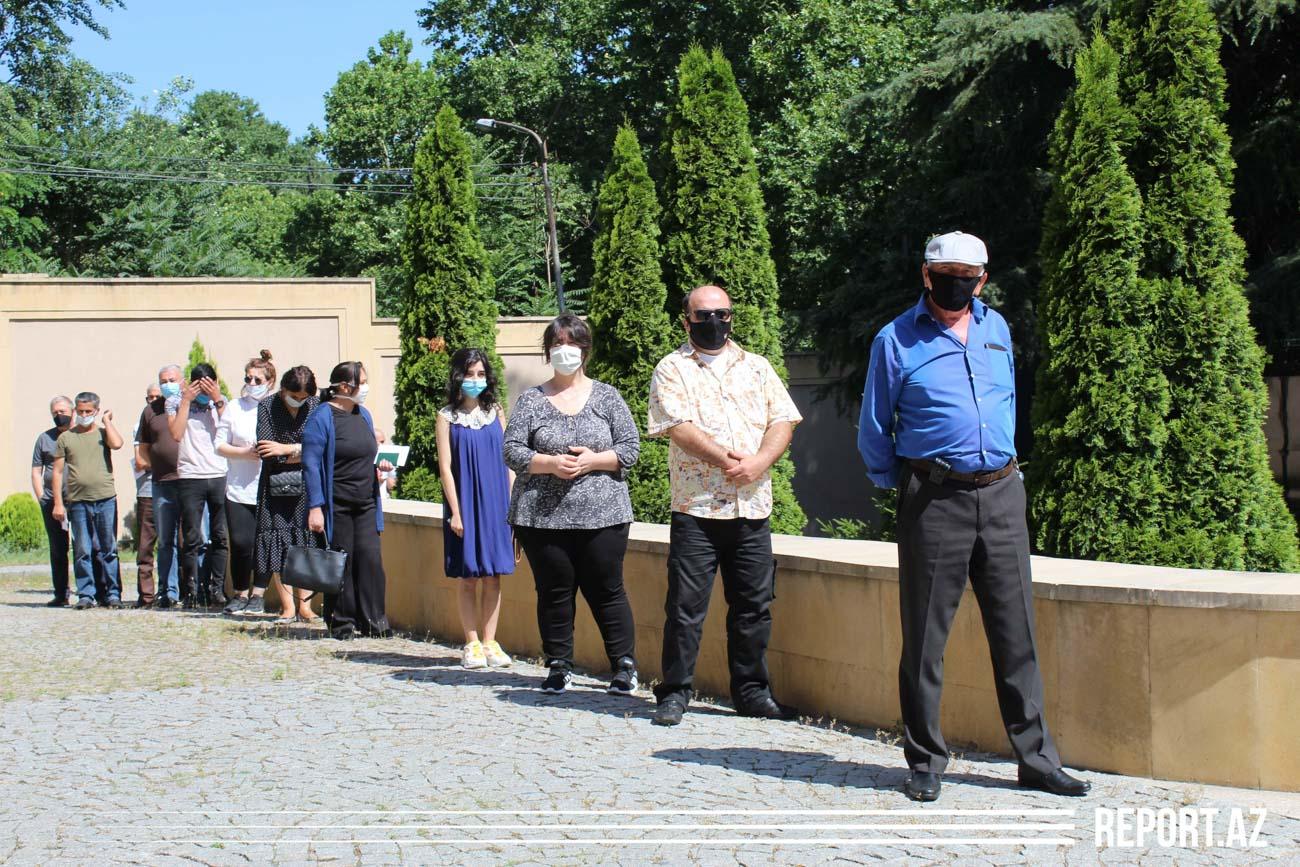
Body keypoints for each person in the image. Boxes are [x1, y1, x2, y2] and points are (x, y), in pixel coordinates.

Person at [857, 231, 1089, 802]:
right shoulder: (895, 340)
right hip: (935, 499)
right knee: (926, 639)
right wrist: (908, 489)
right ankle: (926, 761)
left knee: (1017, 635)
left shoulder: (996, 329)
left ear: (983, 279)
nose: (958, 283)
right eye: (948, 273)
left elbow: (1005, 401)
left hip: (1003, 494)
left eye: (969, 274)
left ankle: (1036, 761)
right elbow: (874, 428)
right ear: (927, 274)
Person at [647, 284, 804, 727]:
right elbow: (678, 427)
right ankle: (675, 692)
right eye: (703, 315)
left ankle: (752, 693)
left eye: (722, 314)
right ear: (686, 321)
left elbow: (783, 419)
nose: (714, 322)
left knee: (754, 605)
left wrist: (759, 462)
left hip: (752, 506)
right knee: (685, 607)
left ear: (732, 316)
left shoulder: (756, 367)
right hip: (697, 508)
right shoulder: (672, 368)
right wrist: (728, 461)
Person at [503, 314, 640, 696]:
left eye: (574, 343)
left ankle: (624, 667)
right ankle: (559, 665)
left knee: (607, 590)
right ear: (548, 351)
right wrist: (549, 464)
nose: (566, 351)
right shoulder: (532, 399)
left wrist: (592, 460)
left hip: (604, 514)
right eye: (558, 344)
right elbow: (512, 450)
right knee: (553, 591)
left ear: (585, 350)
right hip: (541, 517)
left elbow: (630, 448)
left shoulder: (608, 396)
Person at [437, 348, 515, 669]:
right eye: (469, 374)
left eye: (481, 374)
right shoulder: (446, 417)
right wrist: (455, 511)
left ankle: (490, 641)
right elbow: (445, 468)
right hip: (465, 504)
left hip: (497, 504)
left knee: (494, 575)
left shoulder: (496, 411)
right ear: (458, 376)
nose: (475, 380)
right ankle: (471, 644)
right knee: (469, 575)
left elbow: (510, 460)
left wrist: (513, 506)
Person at [303, 361, 391, 640]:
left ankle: (374, 621)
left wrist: (381, 467)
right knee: (342, 561)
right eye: (361, 382)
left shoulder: (363, 415)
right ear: (344, 387)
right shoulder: (322, 417)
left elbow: (367, 454)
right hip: (337, 504)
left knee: (370, 561)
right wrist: (315, 507)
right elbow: (311, 464)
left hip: (365, 501)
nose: (365, 388)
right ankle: (342, 623)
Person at [254, 365, 320, 624]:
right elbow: (266, 449)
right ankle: (287, 608)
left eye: (304, 397)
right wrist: (301, 452)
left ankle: (305, 607)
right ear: (283, 389)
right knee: (277, 545)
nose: (300, 401)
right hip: (275, 485)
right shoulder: (267, 406)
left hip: (309, 485)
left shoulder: (316, 405)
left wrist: (287, 448)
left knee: (306, 543)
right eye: (295, 395)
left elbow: (321, 447)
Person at [51, 392, 125, 609]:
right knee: (82, 549)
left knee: (108, 548)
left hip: (105, 499)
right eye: (80, 411)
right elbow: (57, 472)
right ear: (75, 410)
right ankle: (86, 594)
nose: (84, 415)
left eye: (88, 411)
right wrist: (58, 502)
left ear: (96, 411)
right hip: (78, 501)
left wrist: (107, 422)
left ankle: (113, 594)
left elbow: (118, 444)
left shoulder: (103, 434)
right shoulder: (66, 438)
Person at [217, 351, 273, 615]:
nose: (251, 384)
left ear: (270, 382)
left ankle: (258, 594)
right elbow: (219, 444)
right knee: (240, 542)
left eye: (257, 380)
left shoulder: (276, 408)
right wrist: (244, 453)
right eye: (248, 379)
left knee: (264, 541)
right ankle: (239, 591)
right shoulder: (234, 407)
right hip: (239, 487)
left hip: (269, 487)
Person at [169, 363, 229, 609]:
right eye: (199, 384)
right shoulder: (175, 402)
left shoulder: (222, 401)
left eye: (209, 383)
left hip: (219, 473)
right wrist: (186, 400)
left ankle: (217, 588)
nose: (204, 389)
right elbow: (176, 433)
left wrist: (216, 399)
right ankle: (192, 590)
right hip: (191, 474)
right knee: (192, 537)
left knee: (220, 536)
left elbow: (230, 430)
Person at [136, 364, 185, 608]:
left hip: (189, 481)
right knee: (166, 541)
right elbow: (143, 445)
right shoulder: (150, 411)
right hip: (162, 483)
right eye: (163, 380)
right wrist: (151, 465)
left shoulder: (189, 406)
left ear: (182, 380)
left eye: (172, 379)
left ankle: (193, 590)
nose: (167, 384)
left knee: (195, 540)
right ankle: (168, 591)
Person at [31, 396, 74, 606]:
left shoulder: (79, 435)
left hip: (78, 499)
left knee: (85, 546)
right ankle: (61, 593)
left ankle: (90, 591)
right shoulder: (44, 439)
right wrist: (42, 497)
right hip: (51, 500)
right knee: (58, 548)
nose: (60, 415)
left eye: (63, 411)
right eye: (55, 412)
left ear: (73, 411)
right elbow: (36, 471)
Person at [131, 382, 163, 607]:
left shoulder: (174, 421)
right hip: (147, 491)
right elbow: (141, 461)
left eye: (157, 397)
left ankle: (173, 593)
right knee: (145, 547)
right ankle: (146, 596)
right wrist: (166, 463)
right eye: (149, 398)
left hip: (172, 490)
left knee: (175, 545)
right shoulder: (140, 424)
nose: (153, 401)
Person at [374, 429, 398, 500]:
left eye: (383, 442)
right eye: (381, 442)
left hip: (385, 501)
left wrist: (385, 478)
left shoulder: (387, 457)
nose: (382, 445)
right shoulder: (365, 458)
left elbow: (392, 486)